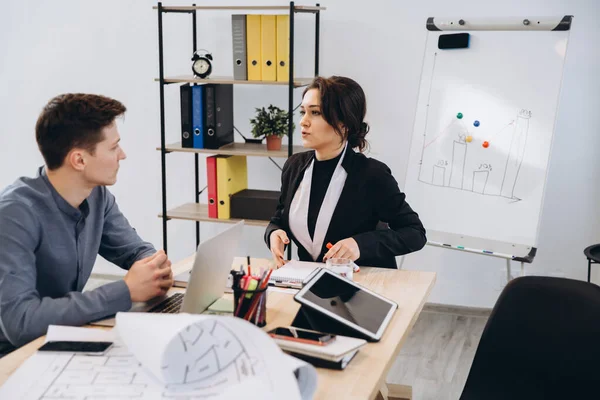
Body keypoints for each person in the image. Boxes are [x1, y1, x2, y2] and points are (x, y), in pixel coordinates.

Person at [0, 94, 173, 353]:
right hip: (15, 355)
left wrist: (155, 268)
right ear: (79, 160)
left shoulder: (96, 194)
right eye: (114, 148)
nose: (122, 155)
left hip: (62, 337)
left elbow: (135, 251)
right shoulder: (14, 214)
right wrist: (125, 291)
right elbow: (20, 322)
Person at [265, 76, 426, 269]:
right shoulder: (294, 166)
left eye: (315, 113)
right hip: (313, 284)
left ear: (344, 122)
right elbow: (280, 218)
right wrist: (273, 233)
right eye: (303, 112)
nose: (303, 122)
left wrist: (360, 245)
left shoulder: (372, 174)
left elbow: (415, 233)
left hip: (364, 285)